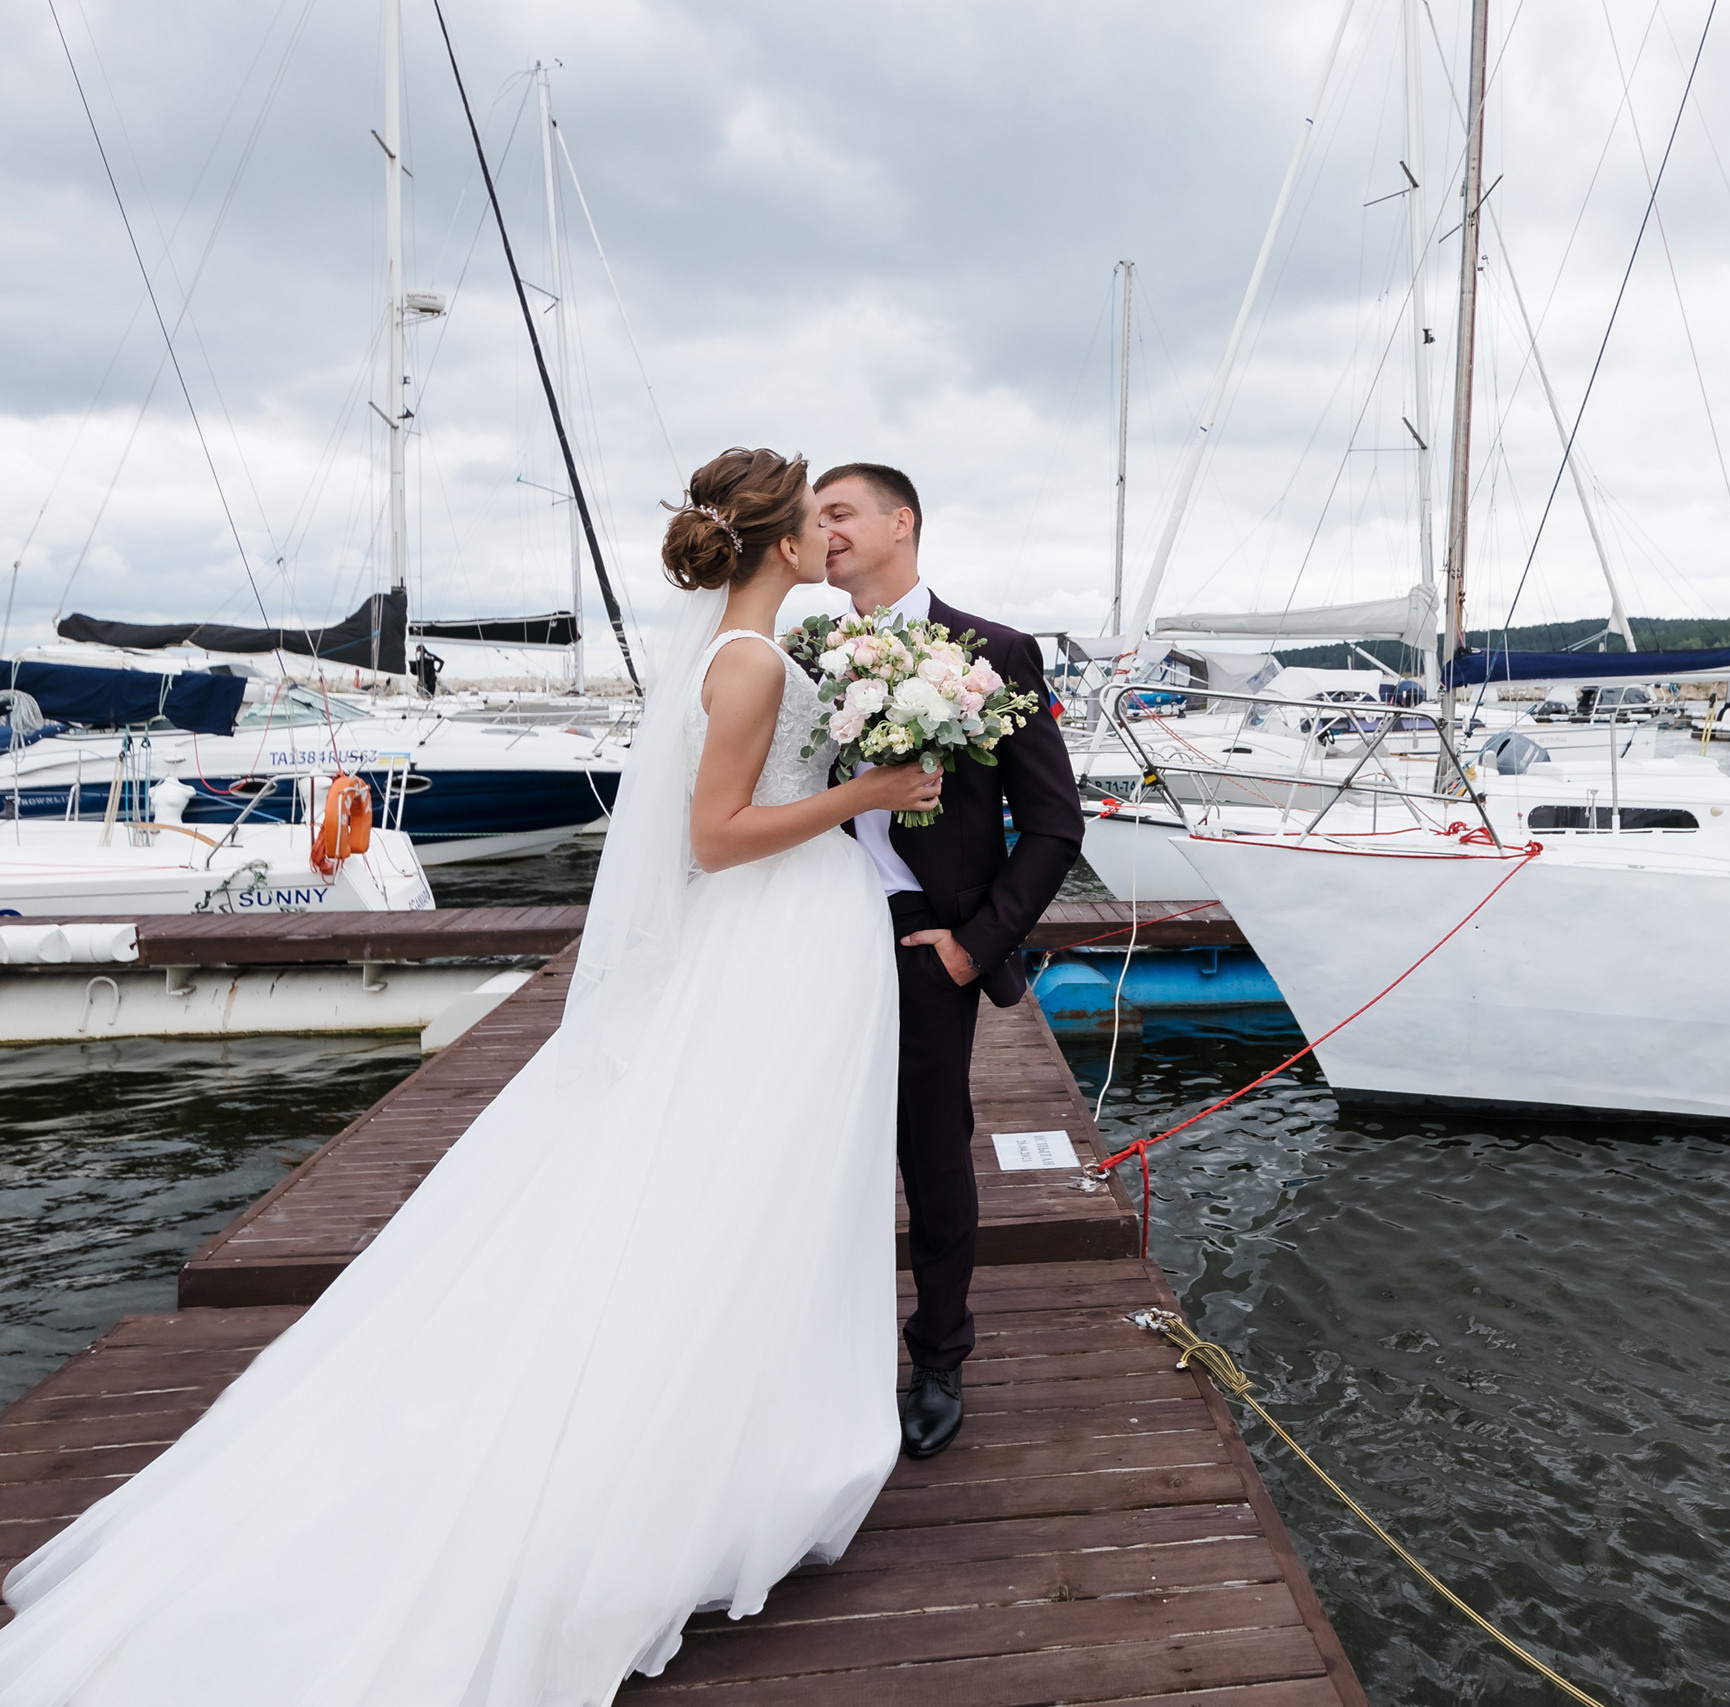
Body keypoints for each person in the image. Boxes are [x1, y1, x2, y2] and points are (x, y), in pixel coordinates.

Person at [0, 449, 940, 1704]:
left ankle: (749, 1428)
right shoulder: (752, 663)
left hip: (793, 940)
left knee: (760, 1181)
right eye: (815, 518)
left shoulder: (757, 652)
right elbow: (715, 840)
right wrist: (868, 790)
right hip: (770, 934)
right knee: (745, 1181)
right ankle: (702, 1458)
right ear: (778, 543)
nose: (831, 534)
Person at [812, 463, 1081, 1460]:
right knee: (814, 1149)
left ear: (901, 522)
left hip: (926, 942)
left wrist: (974, 948)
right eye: (814, 518)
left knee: (931, 1152)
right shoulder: (805, 659)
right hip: (815, 937)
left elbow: (1055, 825)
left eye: (840, 513)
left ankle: (938, 1356)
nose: (823, 531)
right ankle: (820, 1353)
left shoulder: (996, 652)